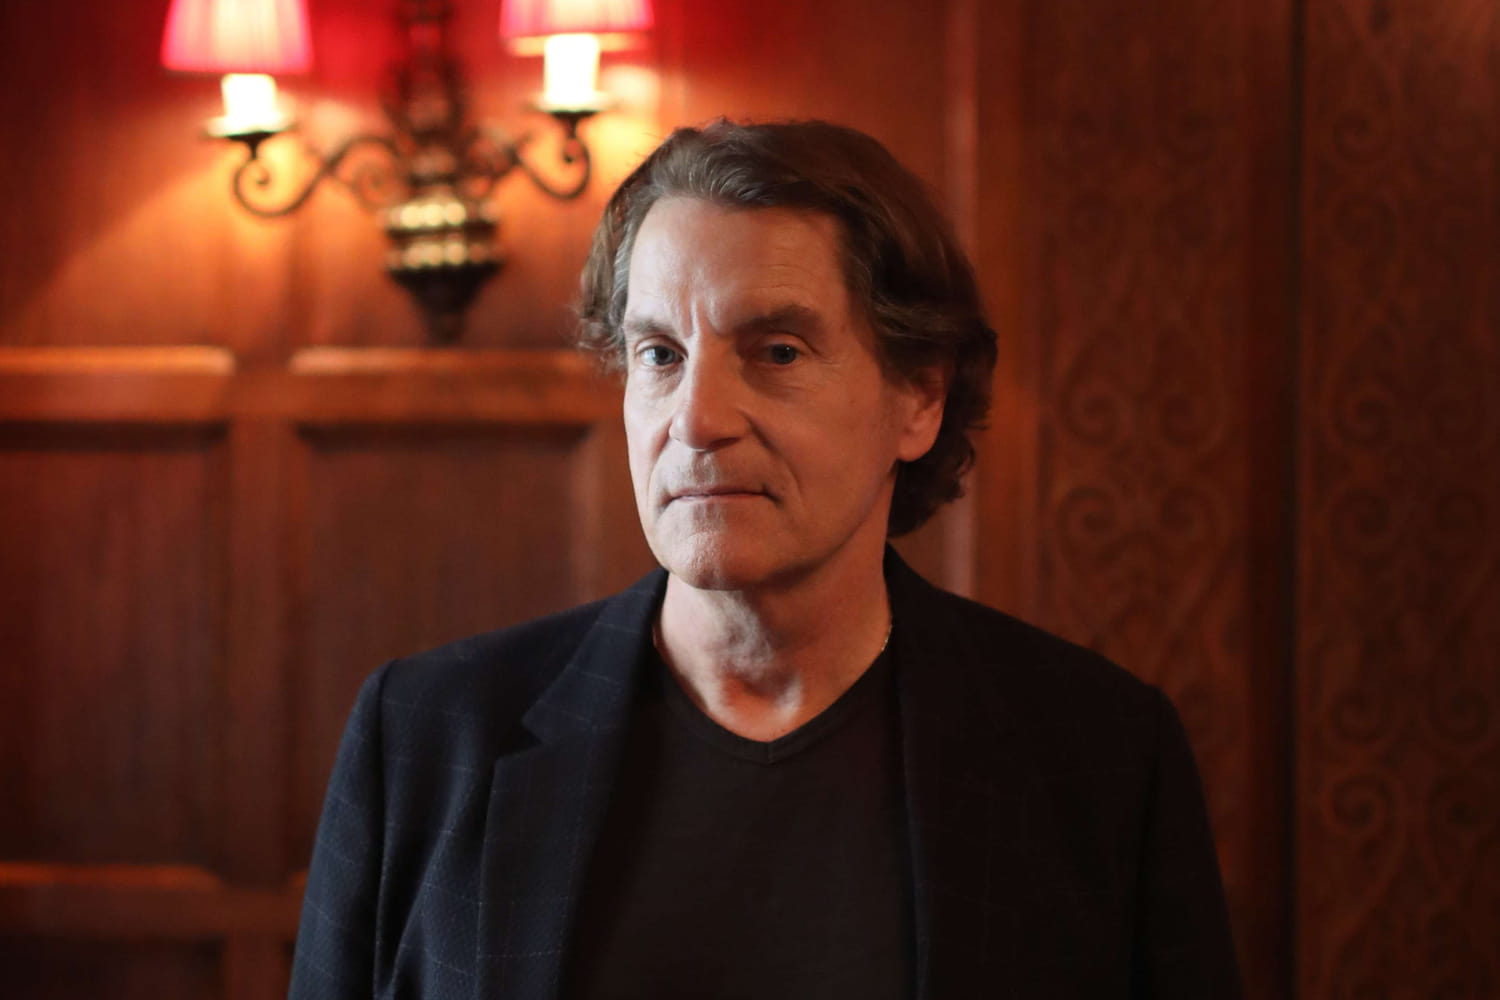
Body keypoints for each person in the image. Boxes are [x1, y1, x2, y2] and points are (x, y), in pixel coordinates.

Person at [288, 119, 1243, 999]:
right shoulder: (427, 736)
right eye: (660, 355)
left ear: (919, 398)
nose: (697, 420)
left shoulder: (1099, 756)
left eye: (777, 352)